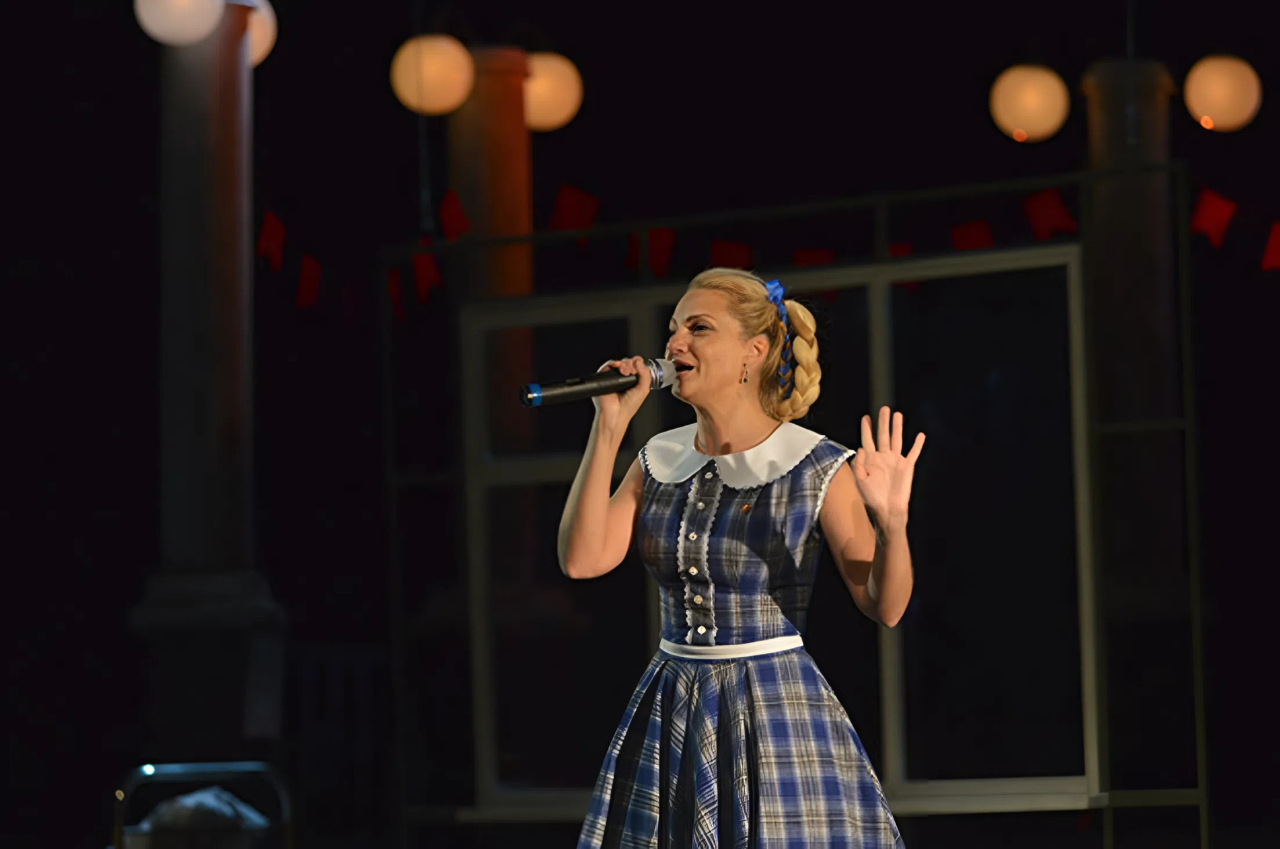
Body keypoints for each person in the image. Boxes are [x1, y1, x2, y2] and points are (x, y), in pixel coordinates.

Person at [559, 268, 924, 847]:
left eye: (698, 328)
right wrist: (609, 428)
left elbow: (886, 606)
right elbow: (582, 560)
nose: (675, 343)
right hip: (673, 702)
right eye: (674, 328)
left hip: (772, 708)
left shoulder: (812, 463)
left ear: (753, 351)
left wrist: (893, 526)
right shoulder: (659, 457)